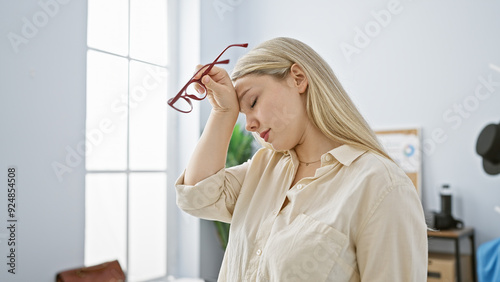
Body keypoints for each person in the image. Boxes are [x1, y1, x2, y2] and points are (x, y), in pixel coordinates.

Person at [175, 37, 428, 281]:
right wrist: (223, 111)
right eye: (242, 113)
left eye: (253, 102)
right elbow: (198, 198)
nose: (249, 125)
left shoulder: (381, 185)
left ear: (298, 78)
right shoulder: (263, 168)